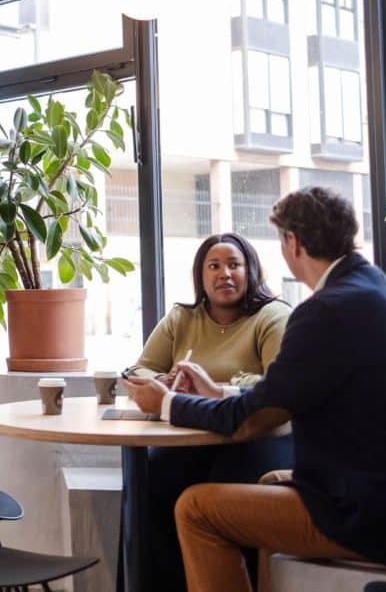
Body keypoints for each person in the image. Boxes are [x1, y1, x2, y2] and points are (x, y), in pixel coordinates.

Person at [125, 187, 386, 592]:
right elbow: (279, 398)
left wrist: (168, 403)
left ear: (292, 242)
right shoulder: (382, 293)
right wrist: (217, 394)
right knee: (269, 482)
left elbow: (252, 421)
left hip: (382, 519)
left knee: (194, 508)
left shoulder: (326, 310)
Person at [125, 232, 292, 592]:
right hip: (193, 436)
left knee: (219, 481)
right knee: (150, 478)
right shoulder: (182, 318)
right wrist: (166, 381)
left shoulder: (272, 315)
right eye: (213, 266)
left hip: (255, 435)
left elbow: (277, 387)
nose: (224, 274)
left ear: (251, 271)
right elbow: (140, 369)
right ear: (200, 277)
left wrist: (217, 385)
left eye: (234, 265)